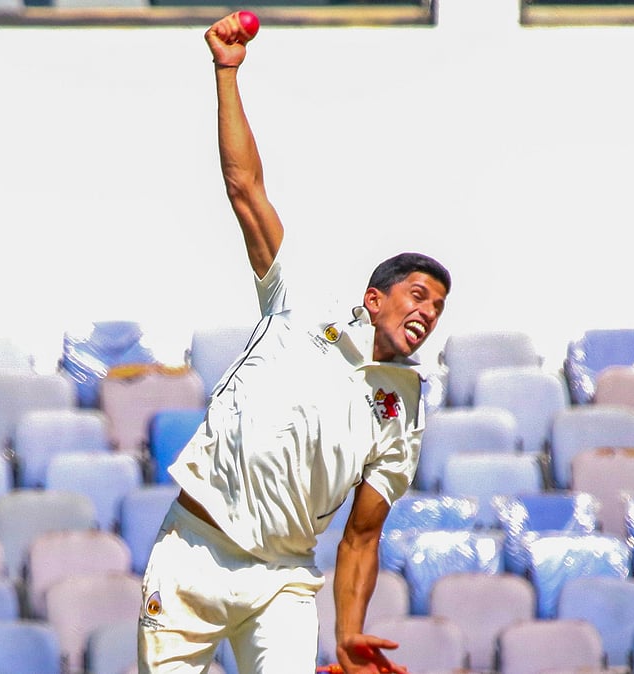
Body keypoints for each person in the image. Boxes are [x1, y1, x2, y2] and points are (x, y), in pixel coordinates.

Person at [137, 13, 451, 674]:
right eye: (417, 295)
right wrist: (227, 73)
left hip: (284, 577)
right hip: (194, 550)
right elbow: (244, 190)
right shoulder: (299, 305)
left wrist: (350, 633)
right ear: (375, 298)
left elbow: (363, 534)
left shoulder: (405, 408)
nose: (428, 312)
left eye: (438, 307)